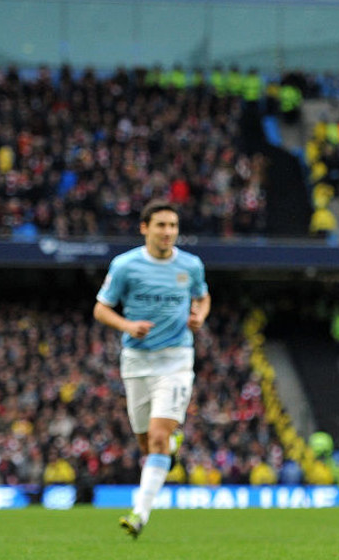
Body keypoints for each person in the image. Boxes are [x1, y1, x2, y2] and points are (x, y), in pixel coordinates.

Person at [93, 200, 210, 539]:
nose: (168, 232)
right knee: (147, 445)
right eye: (160, 225)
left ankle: (139, 514)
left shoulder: (191, 265)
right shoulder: (126, 265)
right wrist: (127, 326)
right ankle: (169, 446)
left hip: (176, 360)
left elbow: (202, 297)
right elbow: (101, 309)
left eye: (173, 226)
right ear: (145, 228)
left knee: (158, 439)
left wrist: (199, 315)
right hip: (136, 361)